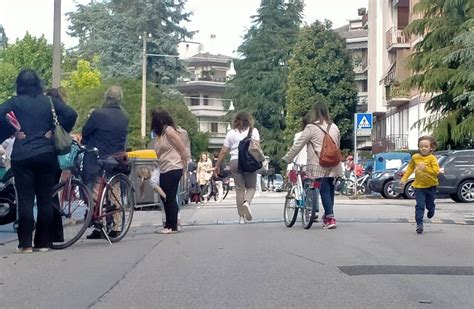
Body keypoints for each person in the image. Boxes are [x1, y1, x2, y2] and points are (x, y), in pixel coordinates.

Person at [0, 70, 77, 253]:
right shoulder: (48, 101)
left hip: (22, 155)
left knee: (25, 200)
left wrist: (12, 131)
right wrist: (54, 130)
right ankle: (43, 242)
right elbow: (71, 114)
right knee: (45, 199)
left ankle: (25, 244)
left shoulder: (14, 102)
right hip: (46, 154)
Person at [283, 102, 342, 229]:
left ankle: (330, 218)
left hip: (318, 164)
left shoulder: (311, 128)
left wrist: (288, 158)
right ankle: (328, 215)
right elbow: (337, 145)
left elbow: (298, 145)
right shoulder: (334, 127)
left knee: (324, 189)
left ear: (314, 113)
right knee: (330, 189)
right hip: (334, 163)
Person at [81, 85, 129, 239]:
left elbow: (85, 132)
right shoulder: (124, 116)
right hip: (117, 159)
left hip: (98, 158)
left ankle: (98, 223)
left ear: (106, 97)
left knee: (94, 191)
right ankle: (115, 226)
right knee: (114, 192)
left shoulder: (98, 114)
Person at [214, 111, 260, 224]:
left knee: (239, 190)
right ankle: (247, 202)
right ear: (249, 120)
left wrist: (217, 165)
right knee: (251, 187)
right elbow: (256, 147)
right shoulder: (253, 131)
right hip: (249, 161)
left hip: (235, 161)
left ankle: (241, 218)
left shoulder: (231, 133)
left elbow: (224, 151)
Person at [151, 107, 189, 234]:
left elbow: (182, 148)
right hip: (164, 167)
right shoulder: (160, 134)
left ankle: (172, 226)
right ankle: (169, 224)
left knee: (170, 196)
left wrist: (184, 165)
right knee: (165, 197)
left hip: (174, 166)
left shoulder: (169, 131)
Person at [400, 136, 440, 234]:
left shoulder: (432, 158)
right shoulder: (415, 157)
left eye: (426, 146)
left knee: (429, 204)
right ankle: (419, 224)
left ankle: (431, 209)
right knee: (420, 205)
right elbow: (410, 168)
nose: (423, 148)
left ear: (431, 148)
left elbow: (436, 172)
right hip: (418, 186)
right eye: (421, 146)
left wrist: (425, 168)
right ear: (418, 147)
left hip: (431, 186)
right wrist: (404, 178)